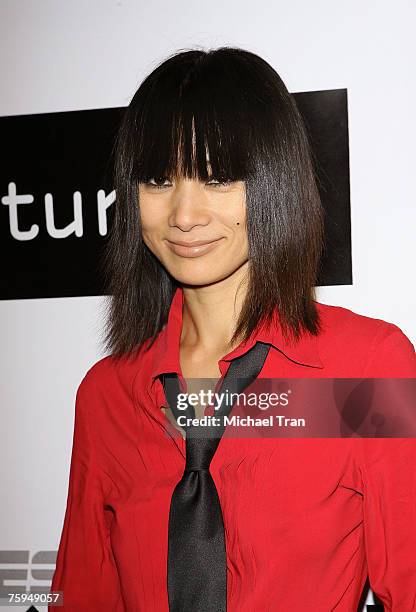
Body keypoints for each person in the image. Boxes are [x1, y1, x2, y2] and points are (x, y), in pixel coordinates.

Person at [49, 46, 416, 611]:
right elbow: (83, 596)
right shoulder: (107, 395)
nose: (184, 214)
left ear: (274, 184)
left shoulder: (366, 368)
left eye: (218, 178)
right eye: (157, 179)